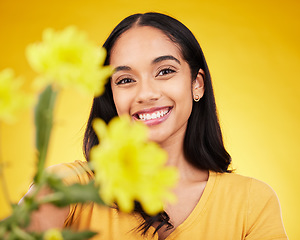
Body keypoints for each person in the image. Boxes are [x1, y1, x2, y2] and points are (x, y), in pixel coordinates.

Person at [23, 12, 288, 239]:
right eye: (125, 80)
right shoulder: (65, 188)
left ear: (197, 84)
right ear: (111, 95)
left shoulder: (252, 202)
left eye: (164, 71)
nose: (146, 94)